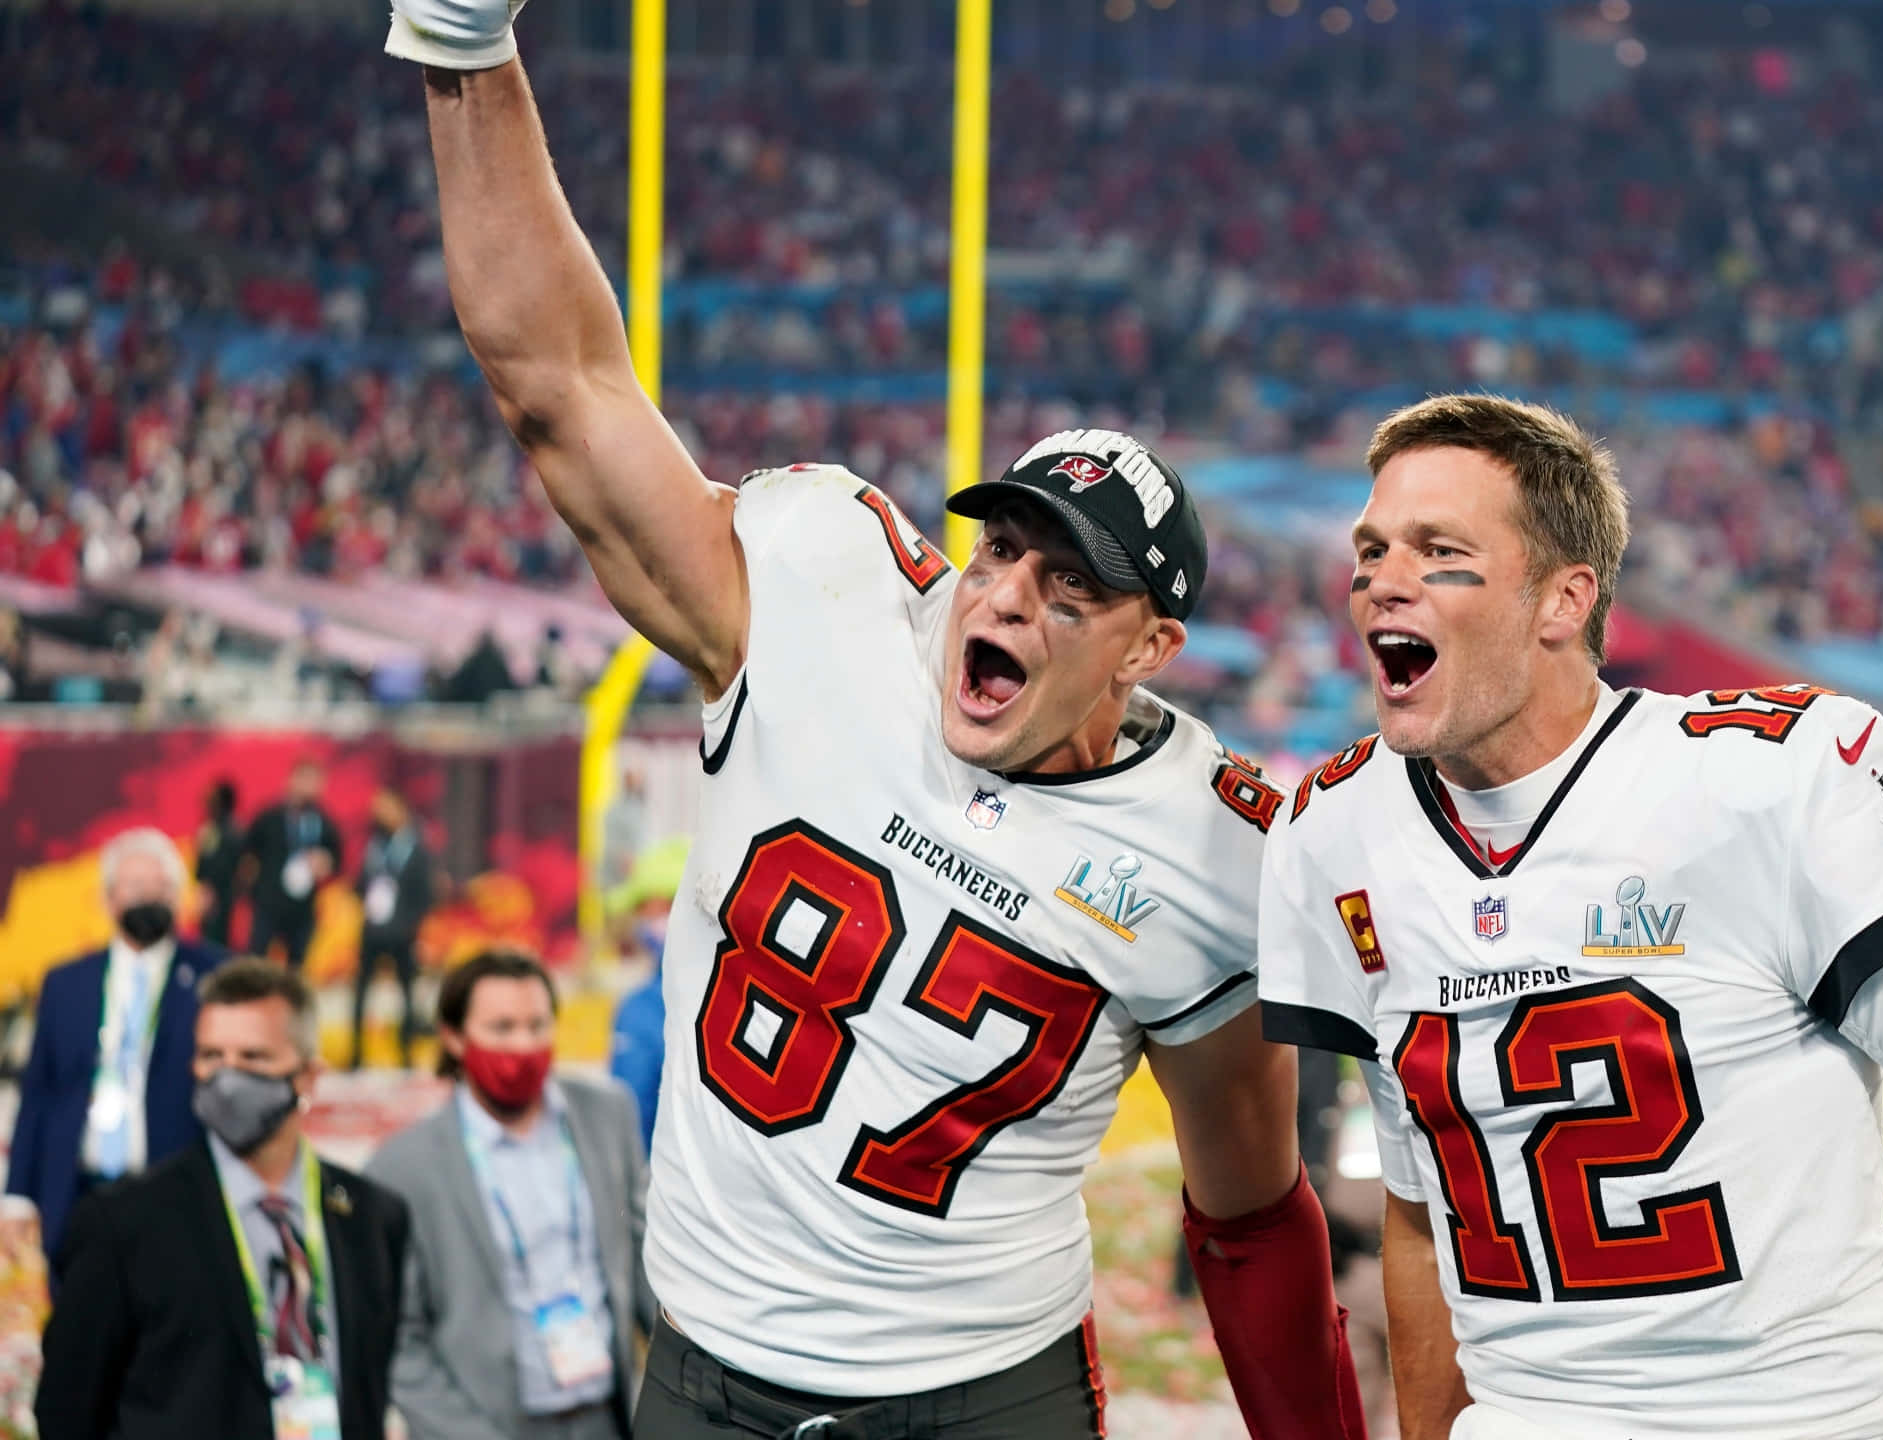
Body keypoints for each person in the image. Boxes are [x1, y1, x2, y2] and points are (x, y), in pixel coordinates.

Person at [387, 6, 1363, 1436]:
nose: (1008, 597)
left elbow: (1251, 1211)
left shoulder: (1208, 853)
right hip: (707, 1373)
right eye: (1002, 550)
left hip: (985, 1396)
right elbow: (562, 390)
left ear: (1152, 648)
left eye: (1071, 587)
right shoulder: (823, 600)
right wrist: (462, 43)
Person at [1257, 395, 1883, 1440]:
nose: (1381, 580)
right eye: (1372, 549)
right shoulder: (1338, 831)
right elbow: (1424, 1218)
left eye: (1438, 552)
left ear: (1563, 599)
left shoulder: (1767, 785)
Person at [35, 959, 411, 1440]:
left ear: (308, 1077)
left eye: (253, 1057)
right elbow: (68, 1411)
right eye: (211, 1055)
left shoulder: (372, 1216)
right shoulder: (123, 1224)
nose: (228, 1077)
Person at [372, 951, 651, 1440]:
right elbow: (398, 1340)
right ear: (454, 1036)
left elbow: (648, 1262)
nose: (523, 1045)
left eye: (537, 1025)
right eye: (501, 1028)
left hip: (607, 1417)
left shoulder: (607, 1116)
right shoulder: (402, 1167)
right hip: (486, 1425)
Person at [3, 828, 221, 1261]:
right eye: (136, 887)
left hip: (175, 1196)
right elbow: (39, 1092)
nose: (149, 898)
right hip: (78, 1194)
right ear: (108, 899)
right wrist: (18, 1196)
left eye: (162, 888)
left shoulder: (214, 977)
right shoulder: (66, 983)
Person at [605, 837, 691, 1154]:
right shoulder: (643, 1002)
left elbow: (628, 1113)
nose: (646, 921)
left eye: (653, 908)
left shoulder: (642, 1008)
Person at [352, 788, 438, 1069]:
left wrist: (411, 925)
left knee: (406, 993)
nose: (380, 814)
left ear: (401, 810)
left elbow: (425, 893)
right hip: (373, 929)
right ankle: (356, 1054)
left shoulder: (417, 849)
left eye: (386, 808)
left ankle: (406, 1052)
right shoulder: (374, 846)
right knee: (361, 991)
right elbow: (360, 884)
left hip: (403, 932)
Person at [243, 759, 344, 970]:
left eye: (316, 781)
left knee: (296, 965)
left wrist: (326, 862)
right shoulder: (270, 816)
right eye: (306, 779)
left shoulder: (323, 822)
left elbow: (336, 859)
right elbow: (248, 854)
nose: (312, 786)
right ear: (292, 780)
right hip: (269, 903)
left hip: (303, 907)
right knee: (256, 961)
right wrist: (251, 891)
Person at [197, 779, 248, 949]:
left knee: (213, 941)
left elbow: (211, 862)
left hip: (219, 895)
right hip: (228, 894)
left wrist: (207, 888)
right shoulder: (236, 829)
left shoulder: (216, 830)